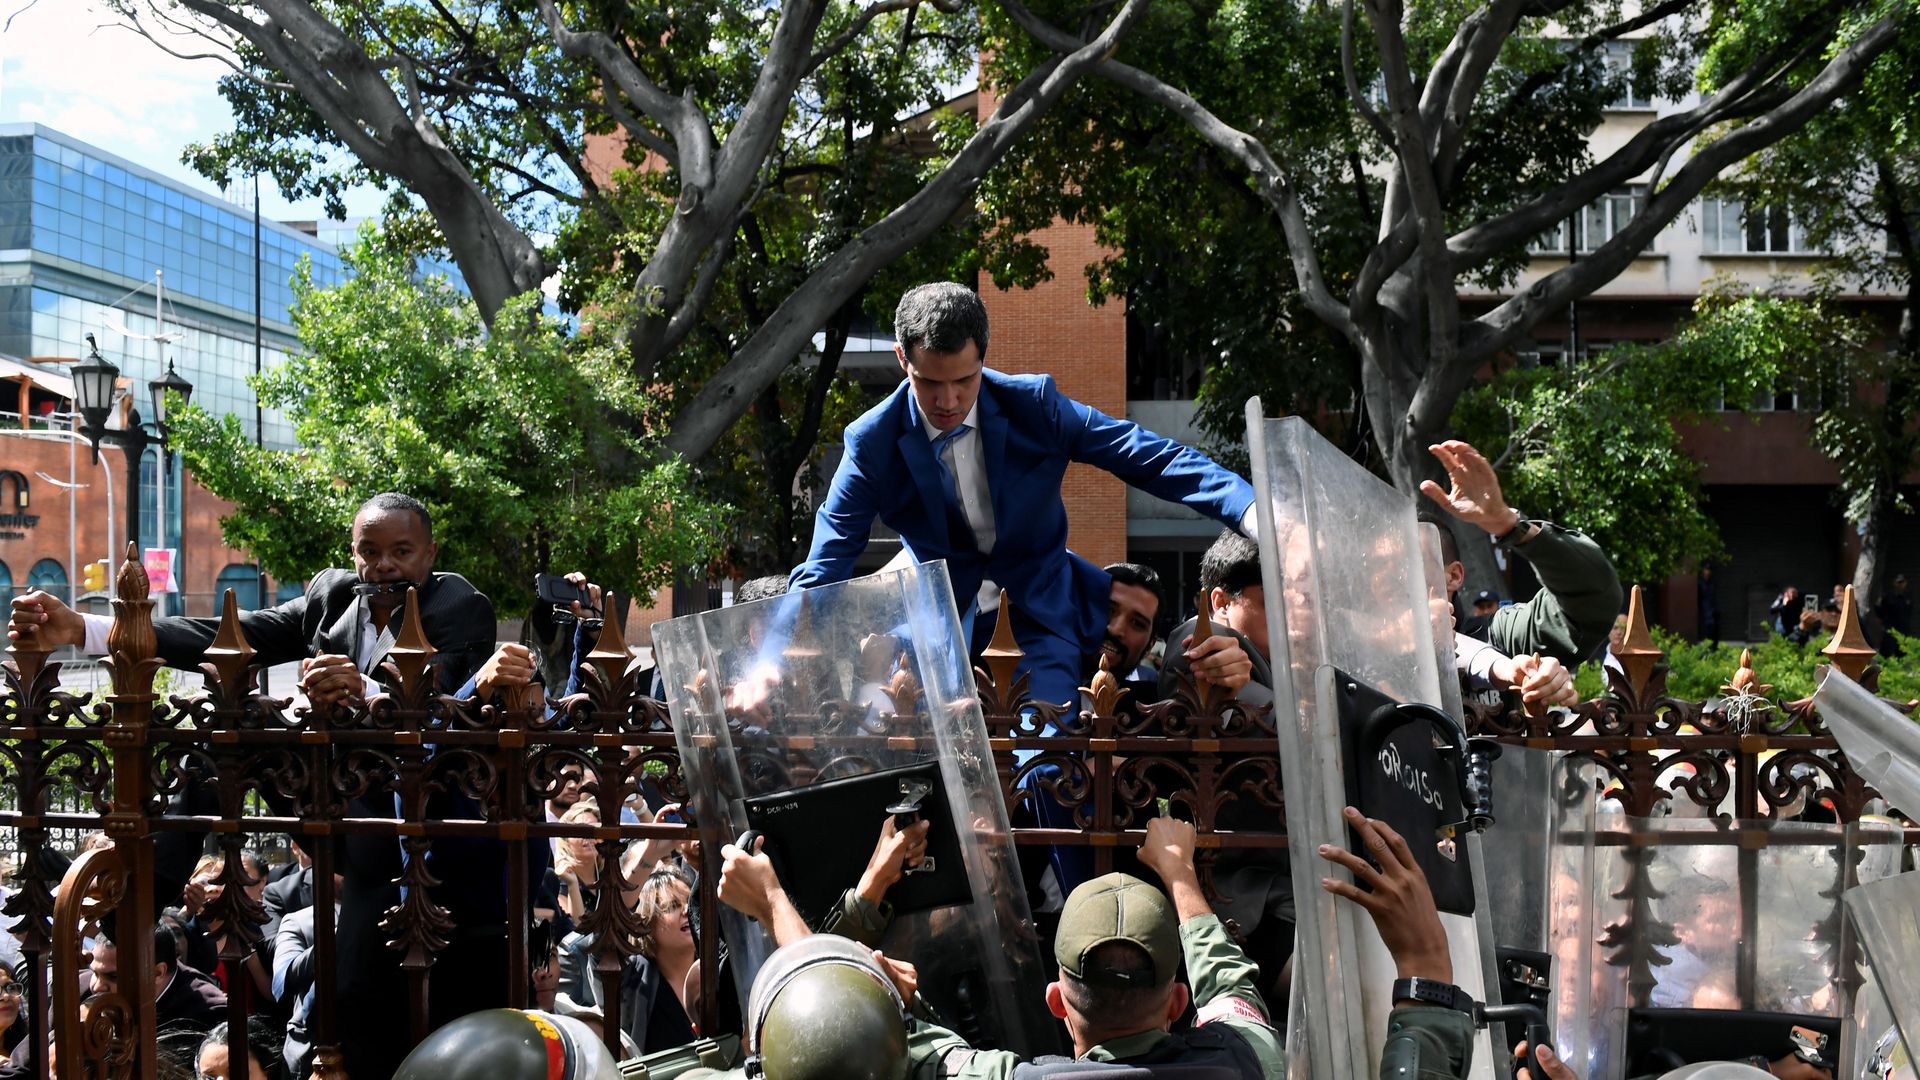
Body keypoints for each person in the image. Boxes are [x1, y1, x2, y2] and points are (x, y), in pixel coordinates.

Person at [717, 810, 1478, 1079]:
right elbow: (1232, 987)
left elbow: (834, 1038)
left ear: (1056, 1002)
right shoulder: (1246, 1062)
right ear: (1177, 1004)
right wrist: (1425, 965)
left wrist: (788, 900)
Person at [788, 282, 1259, 710]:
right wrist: (769, 661)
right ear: (901, 360)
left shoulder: (1035, 405)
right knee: (929, 773)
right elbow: (827, 560)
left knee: (1049, 773)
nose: (948, 401)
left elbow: (1144, 454)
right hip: (937, 630)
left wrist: (1250, 509)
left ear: (984, 359)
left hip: (1038, 619)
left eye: (964, 381)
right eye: (929, 383)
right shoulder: (871, 441)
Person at [1419, 440, 1624, 668]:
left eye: (1408, 565)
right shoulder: (1371, 658)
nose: (1386, 581)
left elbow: (1592, 596)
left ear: (1454, 576)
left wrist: (1508, 524)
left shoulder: (1498, 637)